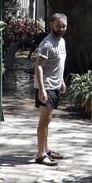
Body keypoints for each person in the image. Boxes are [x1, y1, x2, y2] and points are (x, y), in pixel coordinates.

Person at [32, 13, 69, 165]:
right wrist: (41, 89)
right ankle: (40, 155)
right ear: (52, 25)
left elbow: (58, 65)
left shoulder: (62, 42)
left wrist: (61, 82)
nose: (61, 28)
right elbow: (38, 66)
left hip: (55, 86)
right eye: (59, 25)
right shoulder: (47, 44)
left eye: (64, 26)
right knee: (44, 121)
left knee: (48, 120)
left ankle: (46, 149)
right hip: (46, 87)